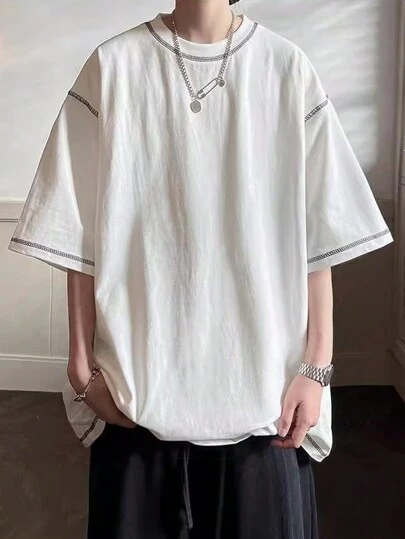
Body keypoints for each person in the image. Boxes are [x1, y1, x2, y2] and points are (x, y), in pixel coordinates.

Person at [8, 0, 394, 537]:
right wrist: (80, 366)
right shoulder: (114, 66)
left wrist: (317, 366)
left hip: (266, 401)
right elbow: (75, 225)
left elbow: (319, 232)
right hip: (136, 397)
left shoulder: (285, 67)